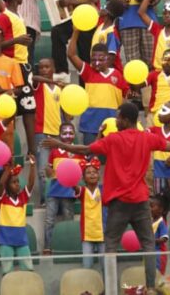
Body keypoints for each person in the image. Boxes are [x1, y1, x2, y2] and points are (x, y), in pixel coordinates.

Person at [43, 102, 170, 292]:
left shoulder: (113, 139)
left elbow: (85, 150)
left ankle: (111, 289)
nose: (116, 121)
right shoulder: (147, 138)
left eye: (118, 117)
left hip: (119, 203)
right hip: (140, 201)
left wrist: (60, 144)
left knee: (110, 246)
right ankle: (151, 287)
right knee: (148, 244)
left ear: (125, 120)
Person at [0, 0, 37, 153]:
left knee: (28, 107)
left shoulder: (18, 15)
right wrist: (17, 40)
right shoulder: (4, 17)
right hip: (11, 65)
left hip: (23, 65)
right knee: (10, 108)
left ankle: (31, 150)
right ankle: (8, 151)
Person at [67, 30, 128, 144]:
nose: (97, 63)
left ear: (108, 58)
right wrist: (75, 32)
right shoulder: (88, 72)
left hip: (111, 126)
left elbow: (126, 96)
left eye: (101, 59)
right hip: (90, 126)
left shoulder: (117, 75)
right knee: (90, 154)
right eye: (93, 60)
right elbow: (71, 55)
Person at [42, 122, 82, 253]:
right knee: (49, 220)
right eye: (65, 133)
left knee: (68, 221)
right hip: (54, 192)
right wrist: (48, 171)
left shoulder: (78, 151)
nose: (68, 136)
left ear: (75, 134)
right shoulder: (54, 152)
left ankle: (67, 247)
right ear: (59, 135)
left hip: (69, 193)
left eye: (71, 133)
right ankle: (47, 247)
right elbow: (49, 172)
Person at [31, 57, 65, 202]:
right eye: (41, 67)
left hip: (57, 134)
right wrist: (54, 81)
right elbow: (33, 78)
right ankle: (45, 199)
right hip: (42, 133)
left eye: (47, 67)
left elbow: (64, 111)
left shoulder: (59, 89)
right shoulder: (38, 85)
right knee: (43, 170)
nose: (44, 70)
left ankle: (58, 198)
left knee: (57, 168)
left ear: (54, 69)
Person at [0, 155, 36, 274]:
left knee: (28, 269)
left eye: (18, 181)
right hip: (5, 240)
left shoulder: (23, 197)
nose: (17, 184)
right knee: (7, 271)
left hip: (21, 240)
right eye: (13, 182)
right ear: (7, 186)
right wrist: (8, 169)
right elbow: (1, 184)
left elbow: (31, 183)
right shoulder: (2, 198)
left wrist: (32, 166)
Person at [74, 158, 104, 269]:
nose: (92, 174)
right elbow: (74, 186)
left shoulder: (104, 190)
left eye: (94, 172)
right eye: (88, 172)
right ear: (83, 178)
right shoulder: (82, 191)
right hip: (87, 234)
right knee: (87, 266)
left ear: (99, 175)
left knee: (106, 266)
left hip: (103, 233)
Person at [150, 193, 170, 275]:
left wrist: (152, 241)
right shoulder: (149, 221)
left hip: (159, 254)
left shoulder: (161, 222)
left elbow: (164, 238)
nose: (149, 209)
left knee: (158, 275)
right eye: (148, 206)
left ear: (160, 209)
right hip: (149, 252)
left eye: (152, 206)